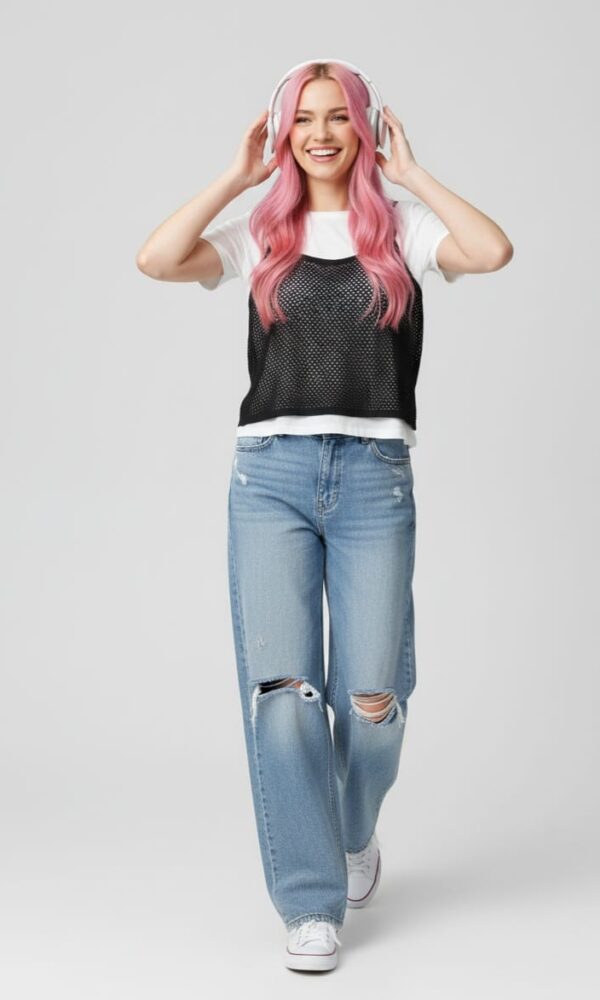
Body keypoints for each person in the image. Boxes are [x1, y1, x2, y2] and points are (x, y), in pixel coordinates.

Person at [136, 58, 513, 972]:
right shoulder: (267, 233)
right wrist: (237, 177)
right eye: (302, 118)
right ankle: (311, 903)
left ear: (364, 129)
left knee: (373, 701)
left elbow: (492, 251)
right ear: (283, 133)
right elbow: (157, 259)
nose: (320, 133)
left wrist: (412, 172)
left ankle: (351, 828)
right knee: (284, 698)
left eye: (338, 116)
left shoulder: (404, 230)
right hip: (270, 479)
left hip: (375, 480)